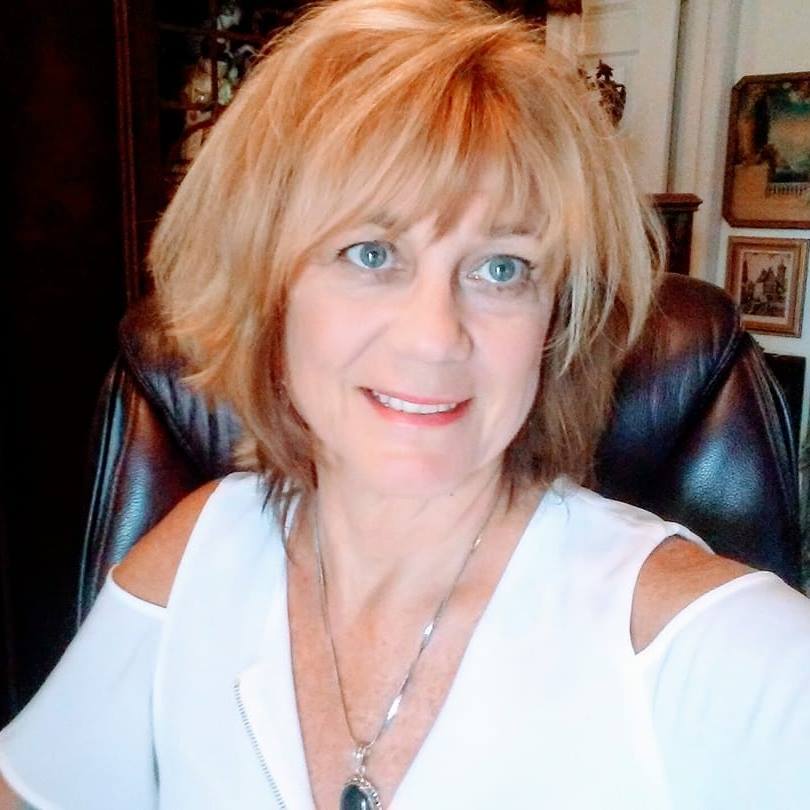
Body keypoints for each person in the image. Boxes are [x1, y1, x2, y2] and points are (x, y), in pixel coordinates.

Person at [2, 0, 809, 807]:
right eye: (371, 253)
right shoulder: (200, 552)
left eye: (501, 268)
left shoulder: (708, 647)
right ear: (268, 289)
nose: (434, 338)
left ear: (555, 321)